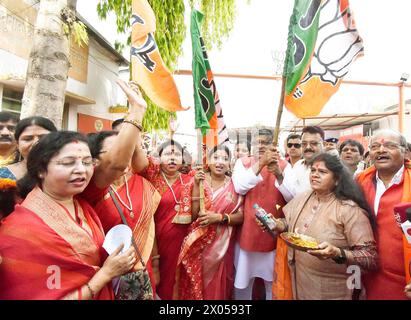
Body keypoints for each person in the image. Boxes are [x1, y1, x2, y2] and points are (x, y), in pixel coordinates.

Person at [0, 131, 136, 299]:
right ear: (41, 170)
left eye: (87, 162)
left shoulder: (83, 205)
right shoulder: (20, 230)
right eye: (68, 162)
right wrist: (105, 274)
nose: (81, 170)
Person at [82, 80, 161, 298]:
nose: (122, 158)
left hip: (142, 271)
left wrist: (154, 264)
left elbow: (149, 228)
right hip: (105, 273)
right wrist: (135, 111)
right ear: (94, 160)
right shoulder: (91, 189)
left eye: (125, 151)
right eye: (114, 152)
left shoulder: (142, 183)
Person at [266, 153, 378, 300]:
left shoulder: (349, 209)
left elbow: (371, 257)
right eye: (313, 170)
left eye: (322, 172)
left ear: (337, 179)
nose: (315, 175)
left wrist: (338, 253)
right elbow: (291, 224)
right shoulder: (305, 197)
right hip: (300, 283)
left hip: (334, 290)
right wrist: (277, 224)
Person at [135, 139, 211, 300]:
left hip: (180, 243)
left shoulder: (189, 180)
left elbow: (195, 215)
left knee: (175, 281)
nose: (172, 158)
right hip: (153, 242)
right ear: (159, 157)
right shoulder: (151, 176)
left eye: (177, 154)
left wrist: (197, 185)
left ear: (183, 159)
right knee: (156, 279)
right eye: (168, 153)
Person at [175, 145, 243, 300]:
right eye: (216, 158)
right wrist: (197, 186)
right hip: (198, 245)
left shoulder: (236, 185)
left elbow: (242, 216)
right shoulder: (199, 180)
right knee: (197, 285)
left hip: (222, 246)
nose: (220, 162)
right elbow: (192, 216)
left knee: (218, 287)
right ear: (208, 160)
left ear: (230, 163)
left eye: (225, 159)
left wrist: (220, 218)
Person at [231, 128, 287, 300]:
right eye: (257, 142)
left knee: (273, 283)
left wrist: (278, 173)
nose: (261, 145)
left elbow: (292, 196)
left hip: (274, 233)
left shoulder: (284, 164)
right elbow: (240, 186)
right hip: (248, 233)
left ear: (273, 144)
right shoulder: (243, 163)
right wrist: (260, 163)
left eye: (265, 142)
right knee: (243, 282)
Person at [356, 129, 411, 300]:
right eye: (375, 146)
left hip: (405, 281)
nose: (381, 150)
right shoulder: (360, 182)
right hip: (368, 276)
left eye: (389, 146)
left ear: (406, 152)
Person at [271, 126, 325, 201]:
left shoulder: (331, 169)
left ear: (323, 144)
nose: (308, 147)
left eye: (313, 143)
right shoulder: (298, 165)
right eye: (304, 144)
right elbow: (292, 197)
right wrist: (279, 175)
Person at [0, 116, 57, 181]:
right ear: (17, 145)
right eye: (28, 139)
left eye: (43, 137)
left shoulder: (68, 172)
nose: (35, 143)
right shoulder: (2, 176)